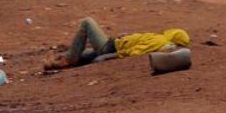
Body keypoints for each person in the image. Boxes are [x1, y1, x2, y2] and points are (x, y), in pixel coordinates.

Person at [44, 18, 190, 70]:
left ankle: (69, 59)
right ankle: (55, 63)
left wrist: (110, 56)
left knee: (87, 22)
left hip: (109, 47)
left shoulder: (160, 40)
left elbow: (134, 52)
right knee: (83, 54)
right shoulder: (161, 41)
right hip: (113, 45)